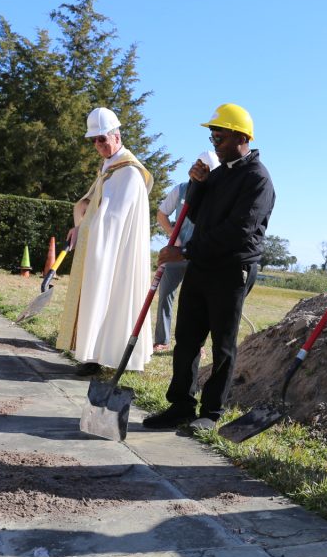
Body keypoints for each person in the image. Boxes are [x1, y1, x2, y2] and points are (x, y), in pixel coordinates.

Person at [142, 104, 275, 431]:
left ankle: (211, 412)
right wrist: (198, 184)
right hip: (201, 265)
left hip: (231, 270)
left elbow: (237, 232)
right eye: (212, 135)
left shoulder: (257, 179)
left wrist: (185, 251)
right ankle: (181, 405)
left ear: (242, 137)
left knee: (223, 345)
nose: (214, 141)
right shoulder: (218, 174)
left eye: (221, 135)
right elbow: (197, 216)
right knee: (187, 339)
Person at [56, 107, 154, 377]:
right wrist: (79, 226)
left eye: (102, 138)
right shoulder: (109, 168)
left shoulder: (130, 172)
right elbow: (94, 204)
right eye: (94, 140)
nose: (98, 144)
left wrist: (87, 229)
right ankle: (91, 354)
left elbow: (115, 218)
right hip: (100, 246)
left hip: (116, 253)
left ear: (116, 136)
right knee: (97, 296)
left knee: (112, 298)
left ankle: (106, 356)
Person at [152, 150, 222, 352]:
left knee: (198, 300)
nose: (199, 169)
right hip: (176, 252)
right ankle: (162, 340)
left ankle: (196, 344)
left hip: (200, 254)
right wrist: (173, 234)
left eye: (205, 167)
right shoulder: (181, 189)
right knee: (165, 295)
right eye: (197, 164)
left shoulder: (216, 195)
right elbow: (162, 214)